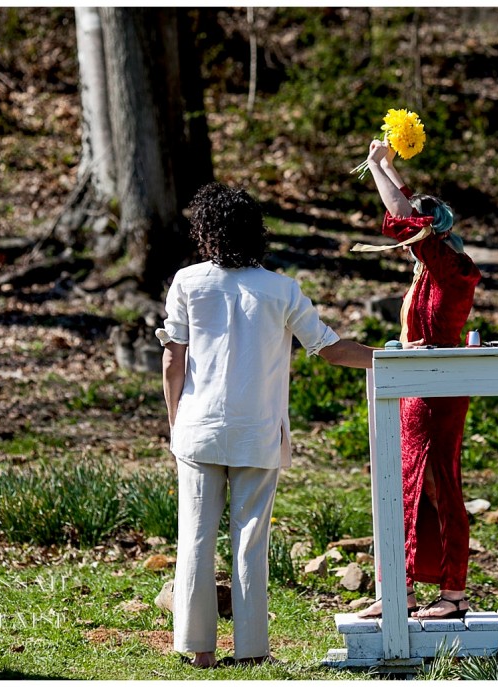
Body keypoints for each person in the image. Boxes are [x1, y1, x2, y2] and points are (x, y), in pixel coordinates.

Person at [157, 182, 377, 668]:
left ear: (206, 233)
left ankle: (200, 651)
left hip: (197, 428)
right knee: (250, 541)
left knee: (193, 538)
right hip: (258, 432)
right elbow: (331, 349)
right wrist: (388, 358)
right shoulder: (282, 290)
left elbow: (174, 358)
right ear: (256, 233)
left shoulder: (187, 282)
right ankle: (253, 650)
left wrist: (176, 418)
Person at [355, 140, 482, 620]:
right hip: (419, 387)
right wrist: (385, 165)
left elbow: (407, 215)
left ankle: (449, 593)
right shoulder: (435, 267)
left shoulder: (450, 268)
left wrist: (375, 166)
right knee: (409, 483)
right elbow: (410, 209)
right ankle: (402, 586)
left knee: (435, 482)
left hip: (435, 389)